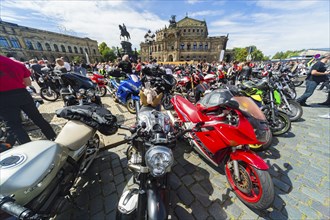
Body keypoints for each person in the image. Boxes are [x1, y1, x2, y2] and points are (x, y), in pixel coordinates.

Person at [0, 55, 57, 146]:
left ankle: (29, 148)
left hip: (3, 97)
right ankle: (53, 138)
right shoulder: (17, 63)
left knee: (14, 126)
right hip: (22, 93)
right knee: (38, 118)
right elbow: (28, 83)